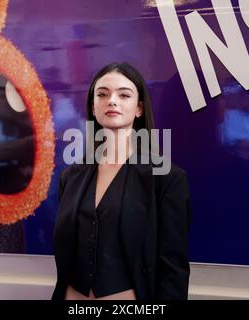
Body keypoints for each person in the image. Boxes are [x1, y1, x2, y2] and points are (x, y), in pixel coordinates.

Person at [52, 62, 191, 300]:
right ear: (93, 107)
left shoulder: (167, 179)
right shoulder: (71, 176)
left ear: (138, 109)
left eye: (124, 94)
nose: (112, 100)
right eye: (102, 94)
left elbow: (173, 269)